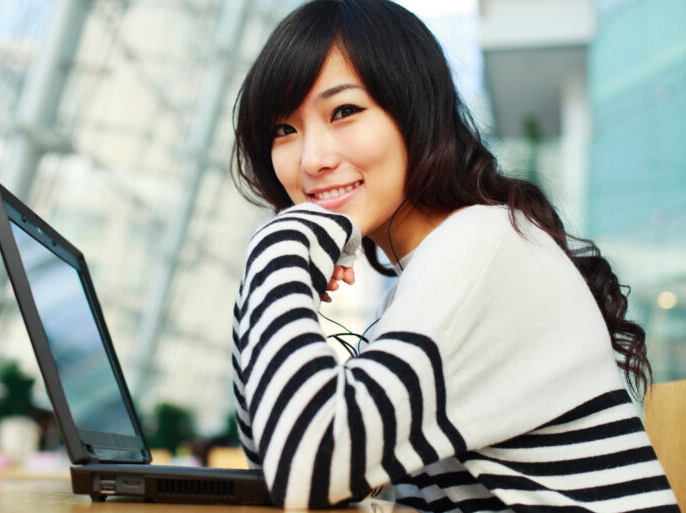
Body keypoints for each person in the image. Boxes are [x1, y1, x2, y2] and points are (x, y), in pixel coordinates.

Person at [229, 0, 678, 511]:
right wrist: (274, 275)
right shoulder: (416, 286)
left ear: (414, 111)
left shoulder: (483, 244)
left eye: (345, 111)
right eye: (282, 130)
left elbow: (303, 465)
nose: (312, 159)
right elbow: (271, 457)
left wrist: (275, 249)